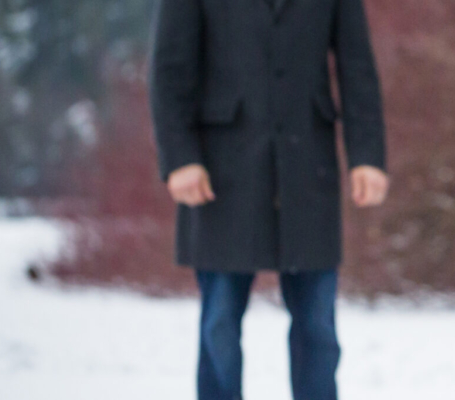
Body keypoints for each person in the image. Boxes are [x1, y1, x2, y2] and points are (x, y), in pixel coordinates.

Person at [148, 0, 389, 398]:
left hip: (308, 169)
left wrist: (367, 157)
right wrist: (180, 159)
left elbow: (357, 67)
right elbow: (169, 69)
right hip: (220, 172)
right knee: (220, 323)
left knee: (317, 324)